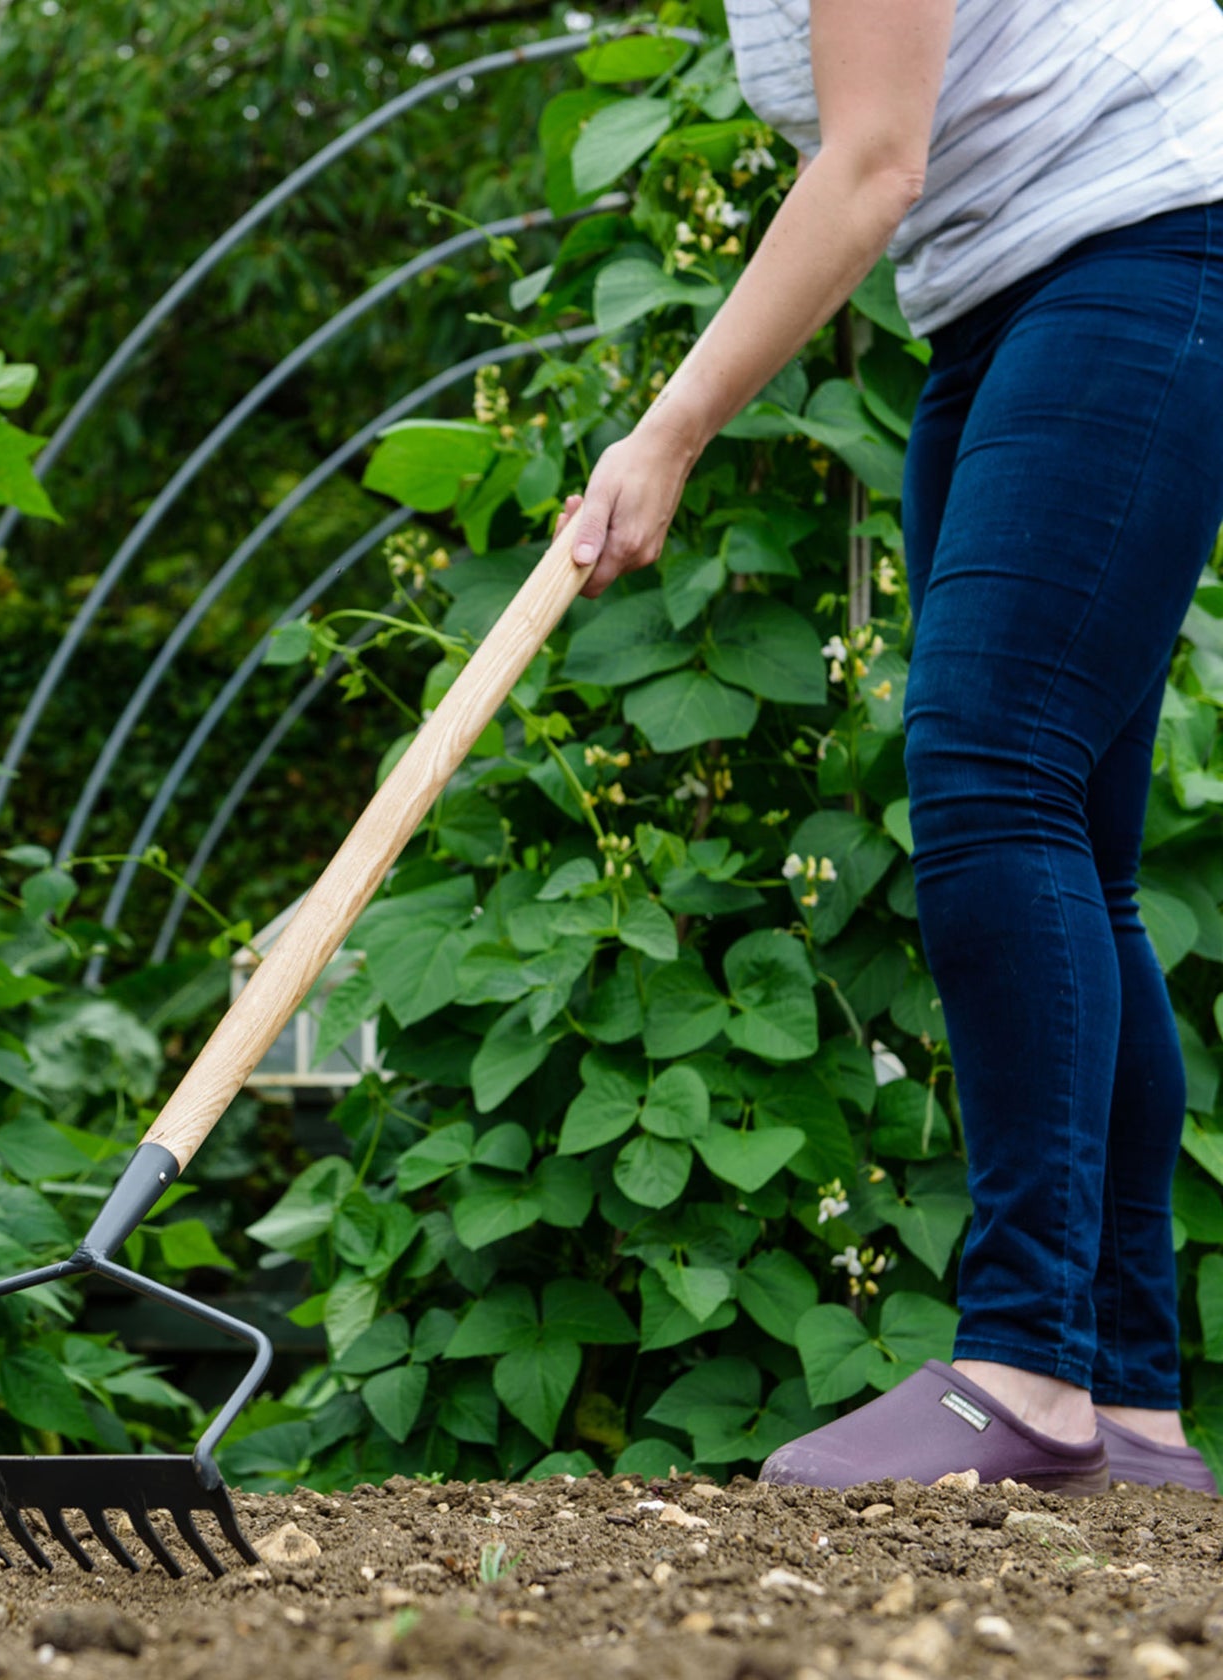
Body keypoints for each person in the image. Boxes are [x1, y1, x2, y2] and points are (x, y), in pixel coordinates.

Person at [561, 0, 1223, 1494]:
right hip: (1011, 287)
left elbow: (871, 164)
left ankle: (1026, 1369)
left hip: (1139, 236)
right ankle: (1127, 1409)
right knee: (1076, 846)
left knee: (995, 774)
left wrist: (665, 433)